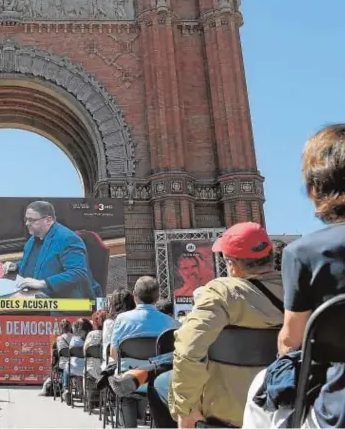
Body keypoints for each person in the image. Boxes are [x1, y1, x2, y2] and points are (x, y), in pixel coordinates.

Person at [244, 124, 345, 428]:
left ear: (316, 188)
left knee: (261, 391)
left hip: (336, 408)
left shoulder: (304, 253)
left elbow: (292, 340)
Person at [154, 222, 283, 428]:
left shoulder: (222, 292)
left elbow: (188, 349)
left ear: (232, 264)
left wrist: (187, 409)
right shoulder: (299, 290)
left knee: (160, 383)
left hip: (229, 408)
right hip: (284, 405)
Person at [110, 276, 179, 427]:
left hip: (130, 378)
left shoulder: (121, 319)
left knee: (126, 393)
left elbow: (114, 354)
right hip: (158, 381)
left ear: (135, 295)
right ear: (158, 297)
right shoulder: (172, 323)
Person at [4, 201, 101, 299]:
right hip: (37, 294)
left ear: (48, 220)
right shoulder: (35, 237)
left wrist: (43, 283)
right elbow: (38, 262)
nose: (27, 223)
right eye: (26, 219)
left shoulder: (67, 239)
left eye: (32, 220)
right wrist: (17, 266)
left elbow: (78, 272)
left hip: (68, 301)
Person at [62, 318, 93, 405]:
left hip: (73, 369)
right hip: (88, 370)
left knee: (66, 367)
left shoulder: (74, 340)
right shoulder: (90, 339)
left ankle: (66, 389)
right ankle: (83, 392)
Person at [103, 287, 136, 368]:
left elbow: (106, 350)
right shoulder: (136, 319)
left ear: (113, 303)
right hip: (138, 362)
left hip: (116, 364)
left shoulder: (109, 322)